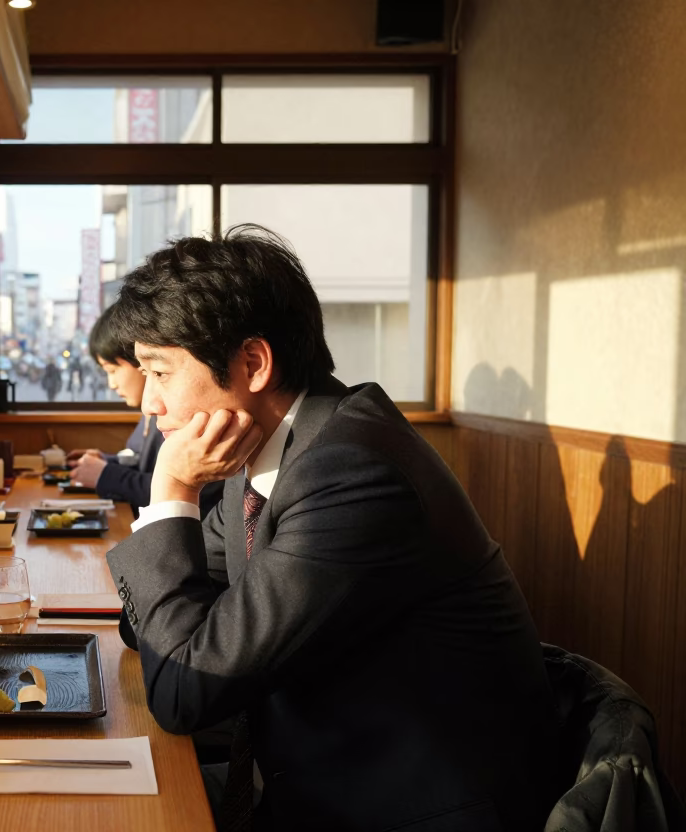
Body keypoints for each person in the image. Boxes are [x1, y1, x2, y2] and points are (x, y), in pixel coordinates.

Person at [103, 225, 559, 831]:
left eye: (160, 373)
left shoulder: (352, 472)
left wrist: (172, 491)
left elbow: (186, 688)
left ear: (252, 363)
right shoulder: (268, 452)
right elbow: (150, 630)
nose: (149, 405)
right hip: (305, 773)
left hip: (401, 809)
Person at [67, 307, 222, 519]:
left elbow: (182, 486)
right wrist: (108, 462)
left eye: (112, 370)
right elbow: (144, 465)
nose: (111, 384)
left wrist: (106, 473)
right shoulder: (153, 409)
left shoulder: (182, 414)